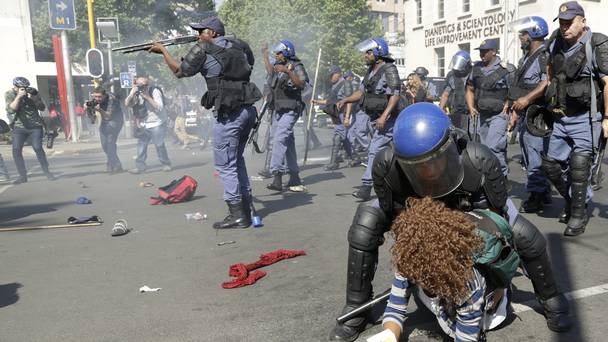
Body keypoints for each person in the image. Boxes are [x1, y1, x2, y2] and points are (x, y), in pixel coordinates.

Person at [329, 103, 571, 341]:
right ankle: (356, 308)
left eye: (435, 161)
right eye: (418, 167)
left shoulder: (479, 160)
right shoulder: (385, 166)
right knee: (366, 220)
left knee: (523, 233)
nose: (429, 172)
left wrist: (494, 279)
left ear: (452, 144)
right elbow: (391, 214)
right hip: (419, 218)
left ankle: (550, 299)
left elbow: (499, 222)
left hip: (469, 216)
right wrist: (413, 252)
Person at [149, 16, 262, 229]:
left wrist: (163, 51)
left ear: (213, 33)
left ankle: (237, 214)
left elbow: (180, 72)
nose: (198, 35)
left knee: (225, 165)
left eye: (202, 31)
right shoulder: (240, 45)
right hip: (247, 110)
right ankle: (247, 207)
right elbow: (249, 64)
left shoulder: (203, 49)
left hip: (230, 114)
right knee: (237, 160)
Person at [380, 197, 512, 342]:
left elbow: (465, 338)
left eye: (425, 276)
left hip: (485, 310)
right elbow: (394, 308)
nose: (415, 277)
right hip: (448, 296)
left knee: (457, 321)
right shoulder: (410, 261)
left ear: (438, 267)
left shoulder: (468, 284)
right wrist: (388, 337)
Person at [542, 1, 608, 236]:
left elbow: (607, 83)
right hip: (560, 117)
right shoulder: (556, 41)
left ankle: (578, 216)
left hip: (586, 117)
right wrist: (548, 98)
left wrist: (607, 118)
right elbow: (550, 69)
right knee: (549, 165)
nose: (565, 27)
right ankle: (572, 200)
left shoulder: (596, 43)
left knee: (579, 168)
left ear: (583, 21)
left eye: (570, 22)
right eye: (562, 22)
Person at [337, 37, 401, 201]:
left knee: (374, 150)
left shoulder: (389, 69)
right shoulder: (371, 71)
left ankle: (366, 187)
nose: (366, 55)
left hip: (388, 120)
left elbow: (395, 95)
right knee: (390, 154)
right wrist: (345, 100)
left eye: (369, 52)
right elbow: (361, 93)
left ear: (379, 52)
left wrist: (384, 117)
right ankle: (395, 185)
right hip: (374, 118)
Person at [506, 17, 553, 213]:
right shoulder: (525, 58)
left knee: (534, 156)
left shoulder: (543, 56)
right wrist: (516, 112)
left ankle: (536, 196)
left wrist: (526, 100)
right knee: (529, 154)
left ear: (533, 33)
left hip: (538, 114)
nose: (520, 38)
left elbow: (546, 83)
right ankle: (543, 192)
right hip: (526, 113)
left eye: (523, 34)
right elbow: (520, 88)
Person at [263, 40, 309, 192]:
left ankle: (277, 176)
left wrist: (288, 72)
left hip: (291, 109)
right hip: (279, 109)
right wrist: (264, 53)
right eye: (275, 53)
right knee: (287, 142)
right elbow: (270, 73)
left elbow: (302, 84)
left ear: (288, 52)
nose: (277, 55)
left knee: (279, 138)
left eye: (279, 53)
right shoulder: (278, 66)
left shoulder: (296, 66)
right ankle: (294, 175)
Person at [465, 38, 516, 176]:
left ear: (493, 52)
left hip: (499, 114)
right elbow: (469, 89)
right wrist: (471, 107)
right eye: (481, 51)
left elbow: (515, 92)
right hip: (481, 115)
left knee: (494, 148)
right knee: (482, 149)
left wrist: (510, 108)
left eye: (485, 51)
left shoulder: (506, 69)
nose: (481, 54)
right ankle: (487, 178)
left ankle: (501, 177)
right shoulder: (476, 69)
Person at [4, 77, 55, 184]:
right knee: (16, 150)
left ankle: (47, 172)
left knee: (37, 147)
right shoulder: (9, 94)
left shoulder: (33, 92)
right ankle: (22, 176)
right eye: (22, 88)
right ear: (15, 87)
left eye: (26, 87)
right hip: (19, 127)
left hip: (35, 126)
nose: (25, 89)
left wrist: (35, 99)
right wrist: (18, 97)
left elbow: (42, 108)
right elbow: (11, 109)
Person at [313, 65, 360, 171]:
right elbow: (330, 101)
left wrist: (347, 117)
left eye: (332, 75)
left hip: (343, 114)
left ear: (338, 74)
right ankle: (355, 157)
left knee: (338, 136)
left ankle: (333, 163)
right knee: (344, 137)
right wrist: (317, 102)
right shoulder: (334, 86)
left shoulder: (345, 83)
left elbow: (349, 101)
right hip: (336, 114)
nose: (330, 78)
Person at [124, 76, 172, 174]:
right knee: (141, 146)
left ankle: (166, 164)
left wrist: (147, 97)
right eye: (140, 85)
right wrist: (132, 94)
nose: (143, 87)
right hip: (144, 123)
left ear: (148, 84)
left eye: (145, 85)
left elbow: (159, 107)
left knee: (159, 144)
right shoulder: (135, 92)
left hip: (157, 122)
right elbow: (127, 104)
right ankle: (140, 167)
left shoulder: (154, 91)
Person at [91, 86, 124, 173]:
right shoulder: (94, 100)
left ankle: (110, 164)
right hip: (104, 121)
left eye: (99, 97)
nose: (97, 99)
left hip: (115, 120)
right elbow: (92, 119)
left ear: (104, 95)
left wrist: (100, 110)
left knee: (110, 141)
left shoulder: (111, 100)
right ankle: (117, 164)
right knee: (105, 145)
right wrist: (89, 109)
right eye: (95, 96)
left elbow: (108, 115)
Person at [439, 51, 473, 131]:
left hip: (471, 112)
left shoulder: (474, 73)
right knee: (456, 134)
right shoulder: (451, 75)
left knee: (471, 136)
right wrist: (440, 109)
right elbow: (445, 94)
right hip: (456, 111)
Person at [344, 71, 370, 153]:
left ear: (351, 77)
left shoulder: (354, 85)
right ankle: (353, 154)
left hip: (362, 110)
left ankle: (372, 151)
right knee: (351, 132)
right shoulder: (350, 85)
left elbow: (351, 101)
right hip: (356, 112)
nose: (346, 79)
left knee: (360, 132)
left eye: (347, 77)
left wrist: (347, 117)